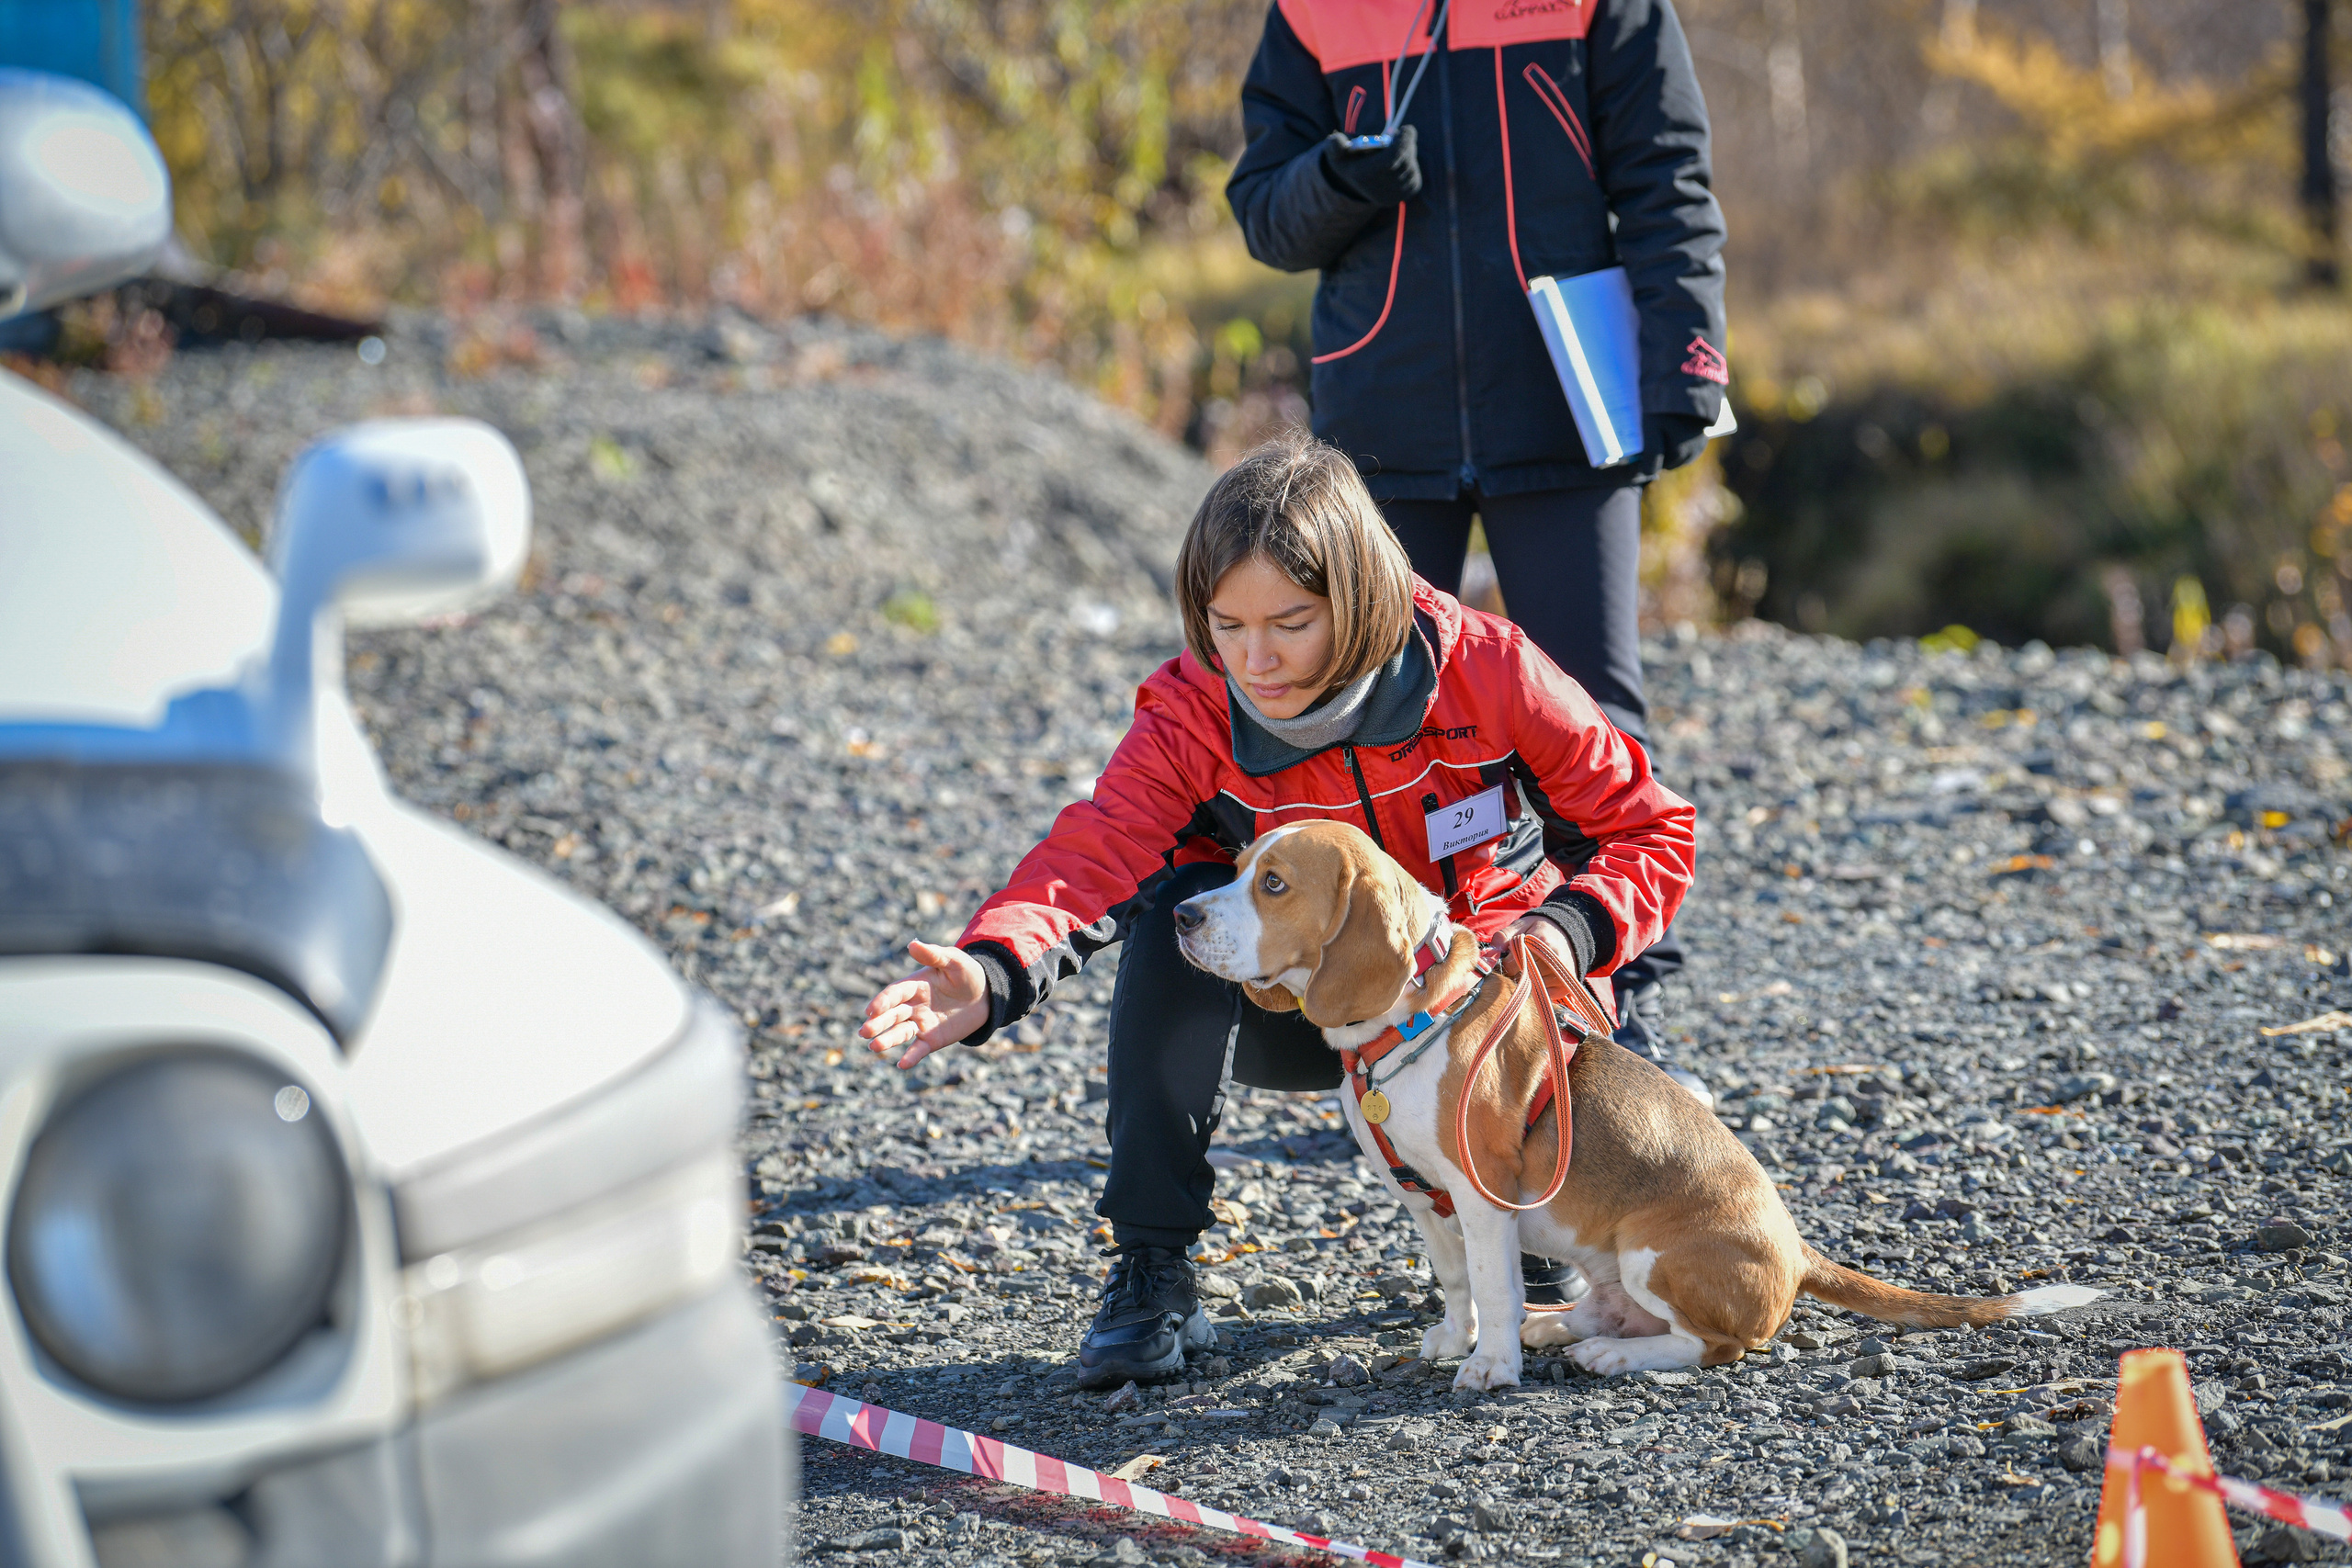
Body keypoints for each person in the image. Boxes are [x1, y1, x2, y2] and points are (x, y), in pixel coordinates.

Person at [859, 431, 1694, 1387]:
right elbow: (1097, 852)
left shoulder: (1488, 669)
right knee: (1175, 909)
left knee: (1530, 1039)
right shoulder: (1189, 709)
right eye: (1227, 625)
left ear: (1362, 594)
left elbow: (1651, 830)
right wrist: (994, 967)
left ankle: (1517, 1196)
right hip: (1290, 1016)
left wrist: (1564, 932)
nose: (1255, 659)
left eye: (1291, 622)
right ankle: (1151, 1269)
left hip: (1484, 1014)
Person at [1223, 0, 1727, 1130]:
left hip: (1566, 400)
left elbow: (1667, 177)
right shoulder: (1310, 10)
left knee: (1593, 718)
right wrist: (1340, 180)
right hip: (1378, 428)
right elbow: (1265, 215)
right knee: (1361, 724)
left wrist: (1686, 355)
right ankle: (1391, 1025)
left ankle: (1609, 1011)